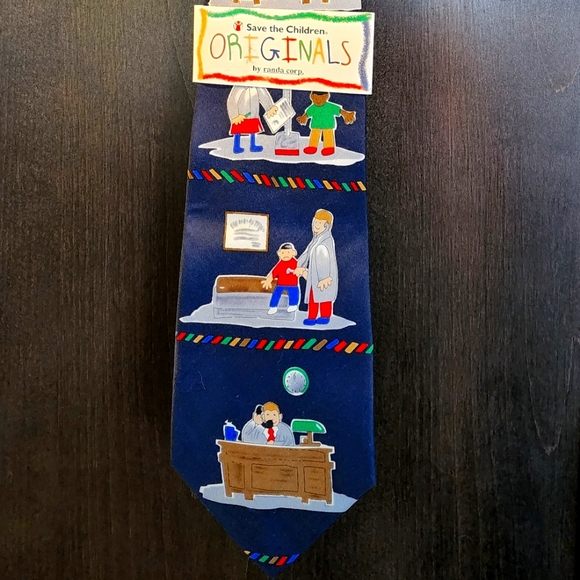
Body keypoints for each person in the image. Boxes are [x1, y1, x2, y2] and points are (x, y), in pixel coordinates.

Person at [294, 209, 338, 326]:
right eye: (316, 222)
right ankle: (312, 317)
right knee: (313, 295)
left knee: (324, 296)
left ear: (326, 226)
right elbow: (306, 253)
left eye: (320, 223)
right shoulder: (315, 240)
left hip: (325, 276)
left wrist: (325, 277)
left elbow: (326, 261)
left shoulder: (326, 241)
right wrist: (297, 266)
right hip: (315, 274)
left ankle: (325, 316)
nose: (316, 225)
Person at [296, 91, 356, 156]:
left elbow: (339, 110)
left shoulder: (329, 106)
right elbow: (307, 113)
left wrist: (346, 114)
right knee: (314, 135)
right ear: (312, 97)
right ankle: (312, 147)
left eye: (321, 98)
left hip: (328, 125)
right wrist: (303, 118)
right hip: (316, 125)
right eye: (316, 98)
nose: (318, 101)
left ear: (326, 97)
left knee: (328, 135)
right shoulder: (313, 108)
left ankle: (329, 148)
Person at [227, 86, 278, 154]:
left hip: (253, 113)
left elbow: (263, 95)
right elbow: (232, 100)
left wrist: (269, 107)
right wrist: (234, 115)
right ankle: (236, 146)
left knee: (253, 128)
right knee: (238, 128)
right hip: (241, 115)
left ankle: (253, 146)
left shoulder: (257, 86)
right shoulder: (238, 86)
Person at [261, 243, 300, 315]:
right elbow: (274, 273)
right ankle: (273, 307)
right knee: (276, 294)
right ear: (279, 254)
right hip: (280, 284)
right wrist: (268, 280)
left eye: (288, 252)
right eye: (283, 253)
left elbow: (300, 270)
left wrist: (296, 271)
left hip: (292, 284)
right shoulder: (280, 264)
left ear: (293, 253)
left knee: (294, 293)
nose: (285, 255)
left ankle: (293, 305)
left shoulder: (296, 263)